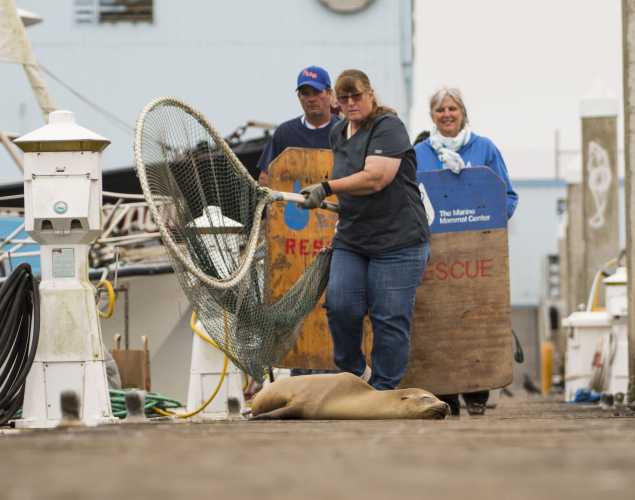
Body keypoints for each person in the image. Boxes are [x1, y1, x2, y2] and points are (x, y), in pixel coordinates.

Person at [301, 69, 430, 390]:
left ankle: (384, 390)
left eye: (356, 96)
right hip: (354, 237)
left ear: (370, 94)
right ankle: (357, 373)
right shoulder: (338, 132)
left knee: (389, 317)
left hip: (398, 240)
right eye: (343, 98)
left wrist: (327, 187)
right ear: (336, 102)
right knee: (341, 304)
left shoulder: (389, 128)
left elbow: (376, 177)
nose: (350, 103)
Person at [414, 86, 518, 415]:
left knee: (478, 315)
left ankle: (477, 389)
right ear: (431, 115)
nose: (446, 114)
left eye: (452, 108)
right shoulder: (418, 153)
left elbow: (508, 196)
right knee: (437, 316)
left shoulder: (485, 149)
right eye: (440, 109)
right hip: (434, 250)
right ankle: (443, 390)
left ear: (463, 112)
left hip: (478, 252)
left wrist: (490, 228)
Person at [256, 65, 340, 186]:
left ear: (329, 93)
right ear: (299, 96)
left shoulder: (344, 130)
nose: (311, 99)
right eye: (305, 93)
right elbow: (265, 177)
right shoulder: (284, 132)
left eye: (316, 92)